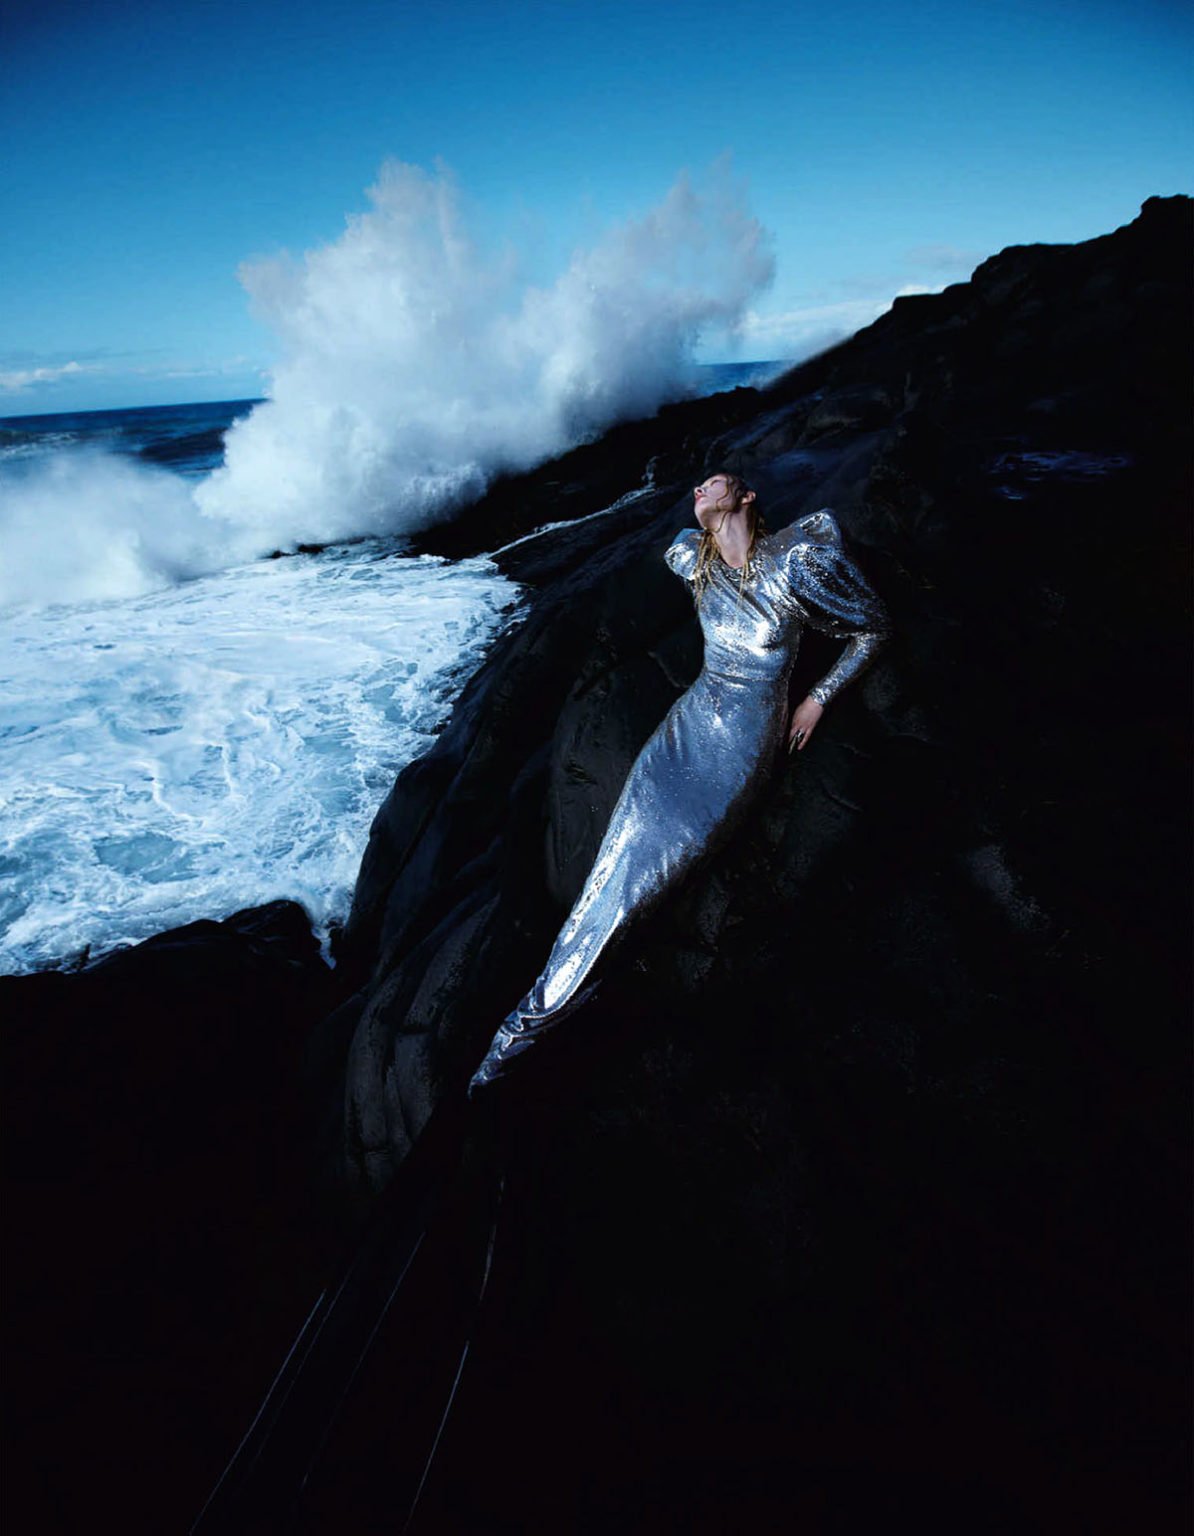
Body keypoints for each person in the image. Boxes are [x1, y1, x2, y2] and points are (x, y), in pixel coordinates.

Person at [468, 472, 890, 1097]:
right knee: (613, 872)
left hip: (741, 746)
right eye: (695, 487)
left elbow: (874, 626)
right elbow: (677, 537)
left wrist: (817, 700)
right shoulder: (694, 563)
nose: (699, 490)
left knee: (648, 882)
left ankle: (526, 1030)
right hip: (683, 730)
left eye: (714, 483)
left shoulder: (798, 562)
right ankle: (526, 1027)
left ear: (747, 496)